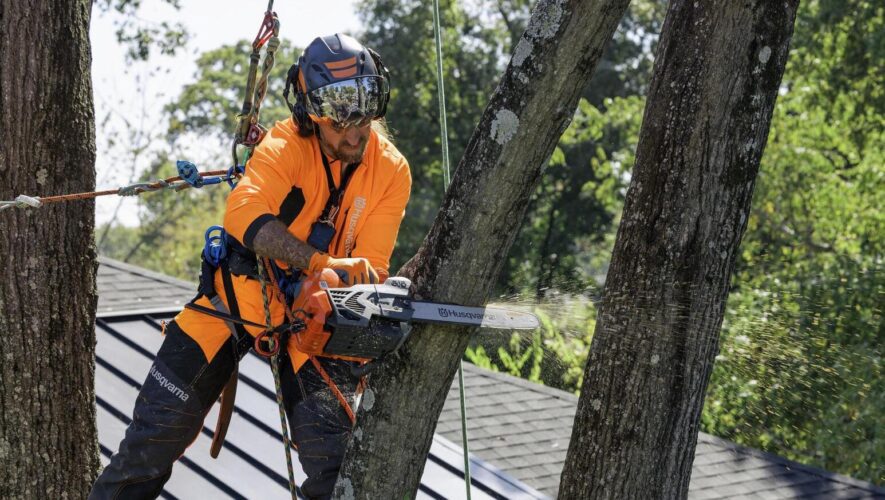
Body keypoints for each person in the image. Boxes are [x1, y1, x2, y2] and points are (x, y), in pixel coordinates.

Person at [90, 33, 411, 500]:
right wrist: (318, 262)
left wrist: (337, 286)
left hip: (311, 325)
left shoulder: (391, 170)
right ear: (311, 113)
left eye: (363, 114)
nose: (354, 131)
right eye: (339, 119)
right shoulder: (286, 145)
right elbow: (243, 215)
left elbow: (372, 264)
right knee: (147, 448)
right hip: (236, 299)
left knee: (337, 473)